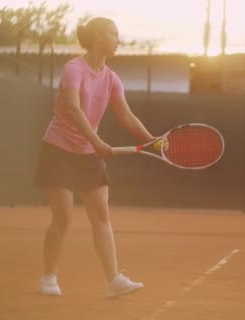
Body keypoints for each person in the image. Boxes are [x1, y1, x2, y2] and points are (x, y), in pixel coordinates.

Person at [34, 17, 153, 298]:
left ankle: (114, 280)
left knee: (101, 215)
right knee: (62, 217)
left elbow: (125, 115)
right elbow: (73, 110)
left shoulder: (111, 78)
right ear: (98, 37)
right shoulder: (74, 69)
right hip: (59, 148)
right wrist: (97, 141)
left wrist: (151, 141)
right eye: (113, 34)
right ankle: (48, 276)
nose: (117, 39)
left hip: (88, 153)